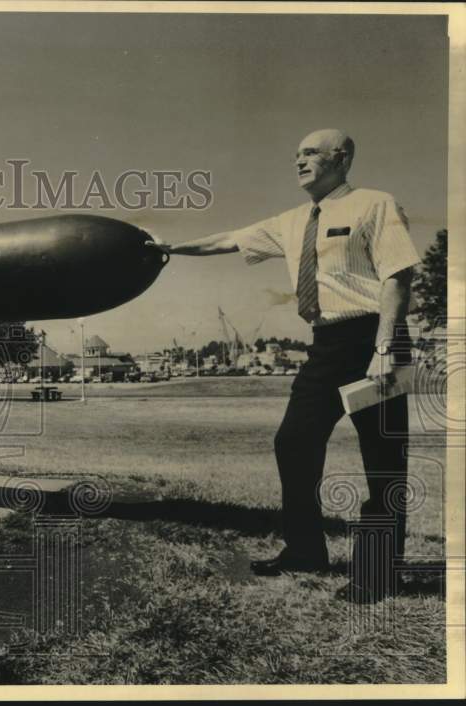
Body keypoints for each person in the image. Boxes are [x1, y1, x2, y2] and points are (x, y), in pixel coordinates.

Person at [150, 129, 420, 603]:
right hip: (327, 342)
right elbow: (229, 240)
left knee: (382, 461)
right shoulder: (292, 220)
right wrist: (170, 247)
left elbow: (398, 276)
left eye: (311, 152)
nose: (299, 160)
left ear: (342, 157)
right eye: (296, 154)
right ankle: (304, 550)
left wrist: (383, 349)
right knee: (293, 441)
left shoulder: (376, 204)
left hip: (376, 337)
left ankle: (378, 573)